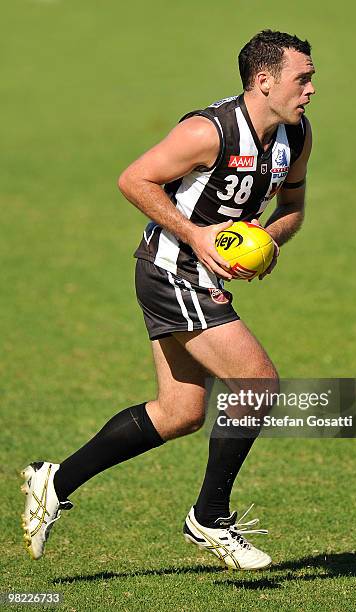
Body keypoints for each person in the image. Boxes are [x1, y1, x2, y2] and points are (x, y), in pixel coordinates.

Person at [20, 30, 315, 571]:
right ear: (263, 80)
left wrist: (270, 239)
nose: (311, 88)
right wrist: (197, 235)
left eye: (312, 77)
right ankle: (210, 517)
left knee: (180, 413)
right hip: (172, 272)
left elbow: (294, 203)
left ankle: (53, 481)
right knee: (256, 383)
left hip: (202, 278)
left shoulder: (295, 135)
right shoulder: (210, 131)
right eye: (302, 77)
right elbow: (134, 179)